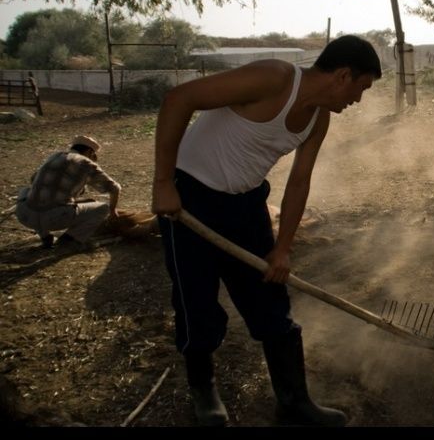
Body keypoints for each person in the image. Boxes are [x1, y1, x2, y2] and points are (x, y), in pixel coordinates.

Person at [151, 35, 381, 427]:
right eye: (362, 88)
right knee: (196, 301)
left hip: (246, 206)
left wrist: (283, 248)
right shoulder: (274, 78)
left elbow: (298, 183)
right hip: (190, 200)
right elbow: (178, 99)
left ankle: (293, 401)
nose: (358, 99)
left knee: (271, 300)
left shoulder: (317, 119)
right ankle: (203, 391)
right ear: (343, 75)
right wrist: (163, 183)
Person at [15, 135, 121, 248]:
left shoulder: (54, 156)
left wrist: (80, 201)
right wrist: (113, 210)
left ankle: (45, 236)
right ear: (89, 151)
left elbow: (34, 180)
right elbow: (115, 188)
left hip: (26, 216)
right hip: (55, 219)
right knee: (103, 208)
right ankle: (70, 240)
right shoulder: (86, 163)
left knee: (26, 191)